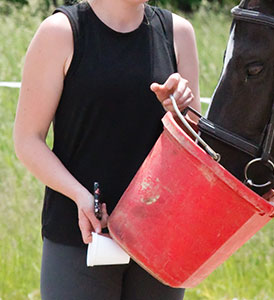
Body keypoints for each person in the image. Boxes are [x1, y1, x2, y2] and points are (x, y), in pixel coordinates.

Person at [13, 0, 201, 298]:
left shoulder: (178, 32)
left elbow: (191, 148)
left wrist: (178, 111)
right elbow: (27, 140)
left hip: (159, 239)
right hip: (81, 238)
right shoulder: (61, 32)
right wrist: (81, 197)